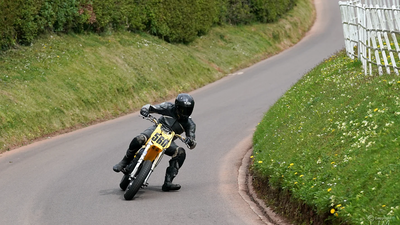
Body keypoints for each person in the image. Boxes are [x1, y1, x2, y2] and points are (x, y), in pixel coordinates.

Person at [113, 93, 197, 191]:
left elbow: (192, 141)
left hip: (168, 141)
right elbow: (151, 107)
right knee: (140, 139)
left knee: (180, 152)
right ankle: (125, 161)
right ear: (177, 106)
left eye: (188, 110)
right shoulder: (168, 107)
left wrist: (190, 142)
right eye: (182, 109)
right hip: (155, 130)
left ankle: (168, 182)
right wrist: (145, 110)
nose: (184, 113)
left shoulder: (190, 124)